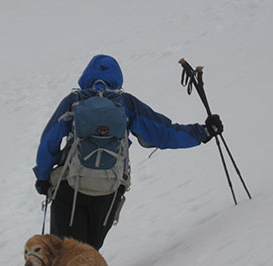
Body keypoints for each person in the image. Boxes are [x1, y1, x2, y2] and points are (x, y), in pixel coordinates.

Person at [33, 54, 223, 250]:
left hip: (70, 187)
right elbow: (164, 134)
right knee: (89, 253)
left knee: (64, 254)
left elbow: (49, 140)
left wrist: (43, 177)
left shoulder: (73, 101)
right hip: (110, 188)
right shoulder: (126, 103)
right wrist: (203, 132)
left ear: (86, 76)